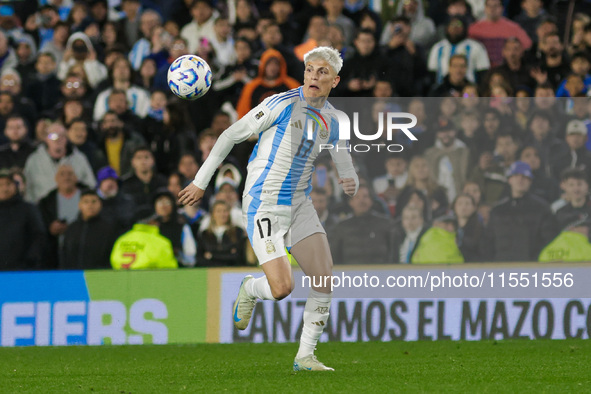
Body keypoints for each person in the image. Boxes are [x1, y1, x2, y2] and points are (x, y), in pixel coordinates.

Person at [178, 47, 358, 371]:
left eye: (322, 72)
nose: (314, 76)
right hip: (264, 201)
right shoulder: (281, 103)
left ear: (335, 80)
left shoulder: (333, 119)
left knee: (324, 277)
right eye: (310, 70)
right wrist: (200, 181)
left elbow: (341, 154)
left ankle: (305, 356)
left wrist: (350, 177)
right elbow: (230, 135)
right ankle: (250, 287)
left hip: (300, 203)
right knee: (282, 288)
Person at [482, 161, 558, 262]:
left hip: (532, 267)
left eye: (524, 177)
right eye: (516, 175)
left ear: (530, 181)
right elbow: (488, 242)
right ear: (509, 180)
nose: (520, 179)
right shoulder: (497, 210)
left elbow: (549, 240)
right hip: (501, 267)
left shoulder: (542, 208)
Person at [328, 185, 395, 265]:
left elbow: (393, 254)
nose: (361, 201)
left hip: (382, 273)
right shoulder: (342, 227)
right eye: (357, 197)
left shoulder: (385, 223)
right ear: (350, 202)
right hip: (349, 274)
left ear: (371, 200)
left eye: (365, 196)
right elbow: (334, 257)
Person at [61, 189, 119, 269]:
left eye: (94, 202)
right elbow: (64, 255)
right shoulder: (72, 229)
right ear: (80, 205)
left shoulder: (108, 229)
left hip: (99, 276)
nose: (90, 205)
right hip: (73, 276)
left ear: (100, 204)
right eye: (86, 202)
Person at [0, 168, 45, 271]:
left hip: (23, 270)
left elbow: (39, 236)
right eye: (0, 185)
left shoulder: (28, 209)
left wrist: (30, 261)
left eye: (8, 184)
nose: (4, 188)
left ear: (15, 186)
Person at [197, 200, 248, 266]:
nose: (222, 214)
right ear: (213, 214)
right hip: (210, 272)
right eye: (218, 211)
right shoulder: (205, 234)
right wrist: (228, 253)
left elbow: (238, 256)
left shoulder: (237, 231)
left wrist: (212, 256)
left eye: (225, 211)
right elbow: (200, 258)